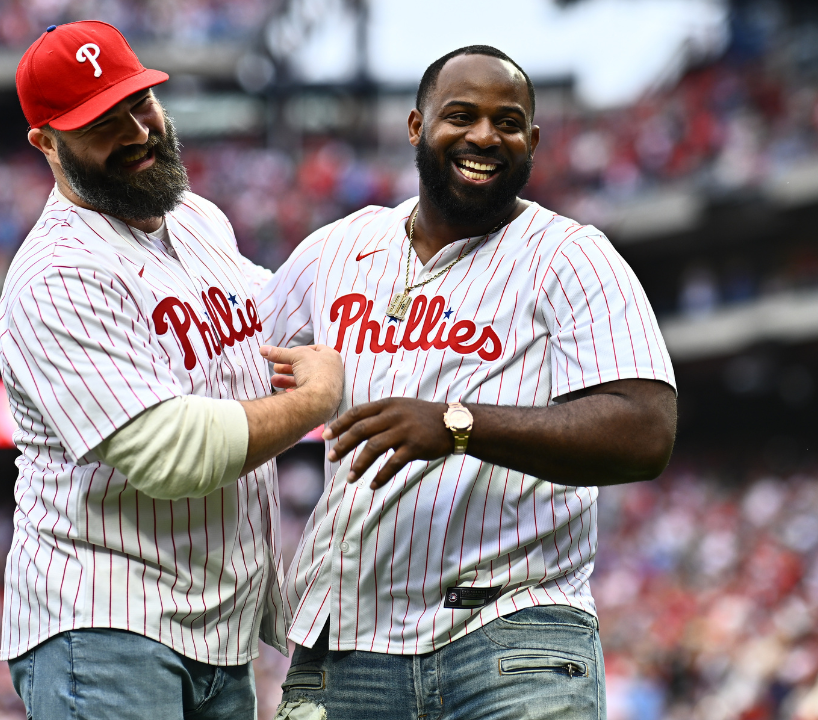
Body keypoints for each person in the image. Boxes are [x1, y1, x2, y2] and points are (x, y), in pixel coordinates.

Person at [260, 46, 677, 719]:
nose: (485, 136)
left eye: (507, 122)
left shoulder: (570, 256)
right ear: (417, 127)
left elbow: (646, 430)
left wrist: (458, 425)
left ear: (532, 141)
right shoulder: (338, 247)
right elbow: (234, 363)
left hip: (513, 636)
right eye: (462, 116)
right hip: (348, 642)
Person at [0, 21, 343, 720]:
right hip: (102, 629)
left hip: (215, 628)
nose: (135, 130)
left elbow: (286, 319)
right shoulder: (58, 276)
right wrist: (319, 399)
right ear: (47, 143)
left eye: (139, 102)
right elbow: (173, 453)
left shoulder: (197, 219)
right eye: (101, 120)